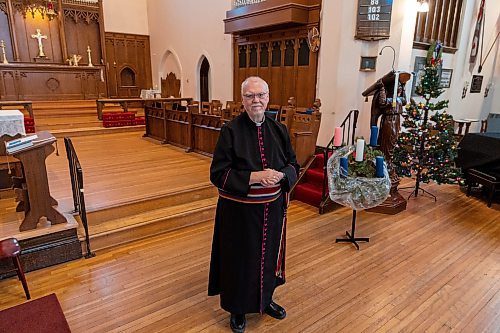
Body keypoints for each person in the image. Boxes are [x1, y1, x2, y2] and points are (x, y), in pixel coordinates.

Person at [208, 76, 299, 333]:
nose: (256, 100)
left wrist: (282, 176)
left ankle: (265, 300)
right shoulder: (230, 131)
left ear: (268, 98)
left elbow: (293, 164)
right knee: (240, 260)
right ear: (243, 101)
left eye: (260, 95)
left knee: (268, 257)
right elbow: (218, 174)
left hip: (272, 211)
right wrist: (255, 177)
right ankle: (237, 309)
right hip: (240, 214)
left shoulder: (279, 130)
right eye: (250, 96)